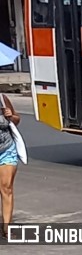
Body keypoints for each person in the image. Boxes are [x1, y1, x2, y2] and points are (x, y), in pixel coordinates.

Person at [0, 94, 20, 239]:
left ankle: (7, 229)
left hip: (7, 149)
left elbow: (16, 119)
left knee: (6, 188)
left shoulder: (2, 98)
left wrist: (11, 116)